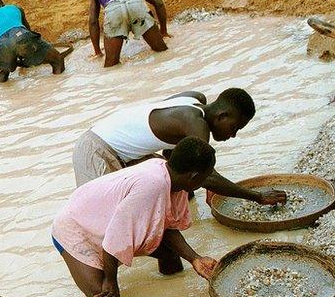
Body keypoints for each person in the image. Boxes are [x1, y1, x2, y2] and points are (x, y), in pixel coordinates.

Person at [53, 138, 220, 297]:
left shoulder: (171, 178)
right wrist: (111, 281)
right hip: (76, 228)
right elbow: (115, 237)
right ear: (194, 177)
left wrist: (195, 259)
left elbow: (167, 226)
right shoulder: (152, 185)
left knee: (171, 256)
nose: (207, 181)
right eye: (206, 176)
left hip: (103, 220)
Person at [72, 88, 287, 207]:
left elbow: (173, 150)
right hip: (97, 150)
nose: (233, 135)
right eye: (234, 127)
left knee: (175, 189)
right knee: (100, 216)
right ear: (221, 116)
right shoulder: (196, 123)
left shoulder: (195, 99)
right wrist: (257, 197)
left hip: (123, 146)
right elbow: (206, 175)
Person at [88, 0, 169, 67]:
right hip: (135, 3)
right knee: (162, 52)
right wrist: (163, 32)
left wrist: (97, 52)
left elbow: (93, 21)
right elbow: (158, 3)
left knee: (111, 66)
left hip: (113, 10)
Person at [0, 0, 73, 80]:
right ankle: (57, 84)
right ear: (3, 5)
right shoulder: (15, 8)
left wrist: (4, 63)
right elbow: (27, 31)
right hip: (20, 34)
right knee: (57, 59)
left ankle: (2, 93)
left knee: (3, 74)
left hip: (1, 45)